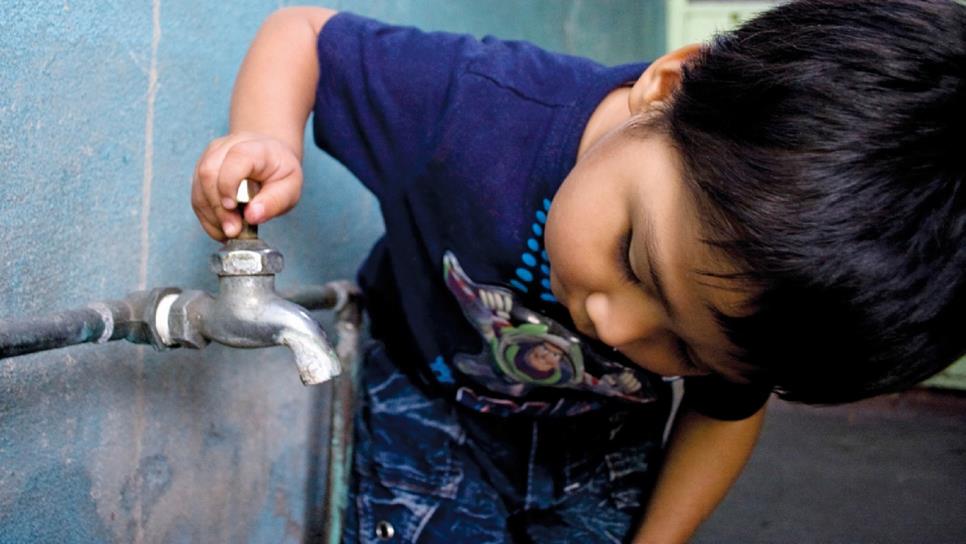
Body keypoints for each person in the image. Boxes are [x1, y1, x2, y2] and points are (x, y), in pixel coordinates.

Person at [190, 1, 966, 541]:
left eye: (689, 353)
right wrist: (269, 140)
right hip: (430, 410)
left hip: (599, 442)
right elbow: (301, 34)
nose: (616, 328)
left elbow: (724, 415)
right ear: (665, 88)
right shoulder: (474, 108)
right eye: (637, 258)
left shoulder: (766, 290)